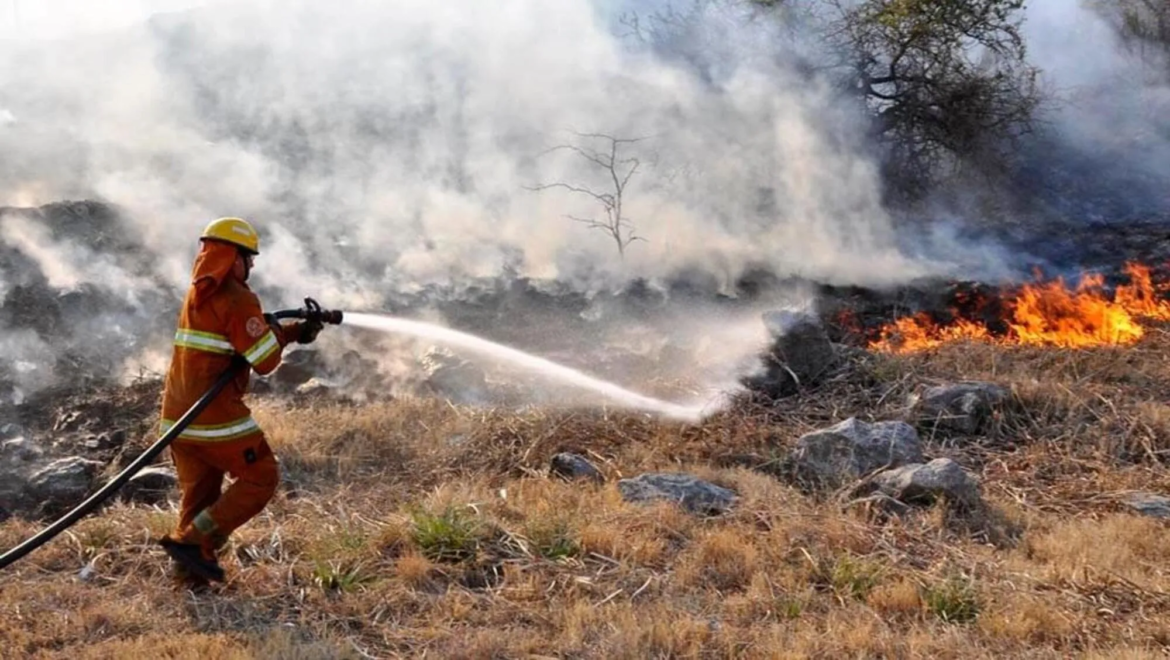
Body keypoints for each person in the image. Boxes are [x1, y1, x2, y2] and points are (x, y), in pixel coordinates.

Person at [157, 217, 323, 583]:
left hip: (176, 420)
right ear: (233, 257)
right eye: (249, 258)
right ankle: (192, 542)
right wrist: (282, 332)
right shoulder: (238, 297)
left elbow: (239, 340)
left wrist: (294, 331)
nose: (251, 267)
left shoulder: (197, 293)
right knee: (261, 476)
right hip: (214, 418)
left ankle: (191, 576)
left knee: (200, 497)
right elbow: (263, 360)